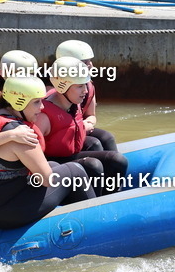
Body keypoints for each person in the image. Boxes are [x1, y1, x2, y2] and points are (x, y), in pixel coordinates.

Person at [0, 75, 97, 229]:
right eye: (36, 102)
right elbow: (48, 180)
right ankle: (95, 223)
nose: (41, 108)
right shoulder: (22, 136)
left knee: (53, 164)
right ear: (18, 103)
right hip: (2, 212)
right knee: (75, 172)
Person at [37, 56, 127, 192]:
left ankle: (111, 197)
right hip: (53, 163)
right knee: (93, 165)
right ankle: (94, 204)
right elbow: (34, 155)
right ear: (62, 86)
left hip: (71, 154)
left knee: (117, 160)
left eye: (85, 85)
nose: (85, 91)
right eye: (80, 86)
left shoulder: (73, 102)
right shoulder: (43, 115)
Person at [55, 40, 120, 153]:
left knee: (107, 138)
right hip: (62, 135)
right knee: (94, 144)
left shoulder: (88, 86)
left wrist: (87, 124)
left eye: (90, 60)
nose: (90, 65)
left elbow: (91, 115)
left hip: (81, 127)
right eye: (85, 61)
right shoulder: (53, 89)